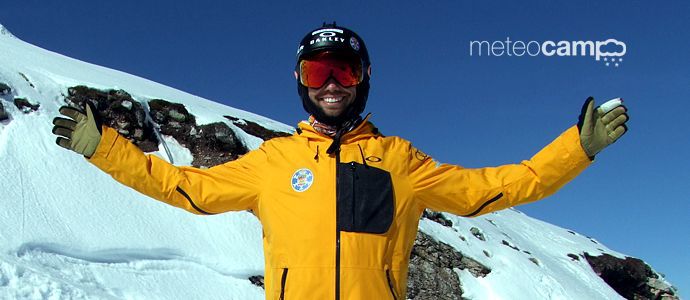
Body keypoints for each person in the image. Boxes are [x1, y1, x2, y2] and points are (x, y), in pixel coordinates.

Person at [51, 23, 629, 300]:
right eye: (318, 72)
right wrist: (102, 146)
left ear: (365, 79)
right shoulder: (273, 162)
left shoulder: (399, 161)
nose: (331, 84)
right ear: (301, 82)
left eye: (344, 71)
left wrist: (575, 150)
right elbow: (185, 188)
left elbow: (493, 189)